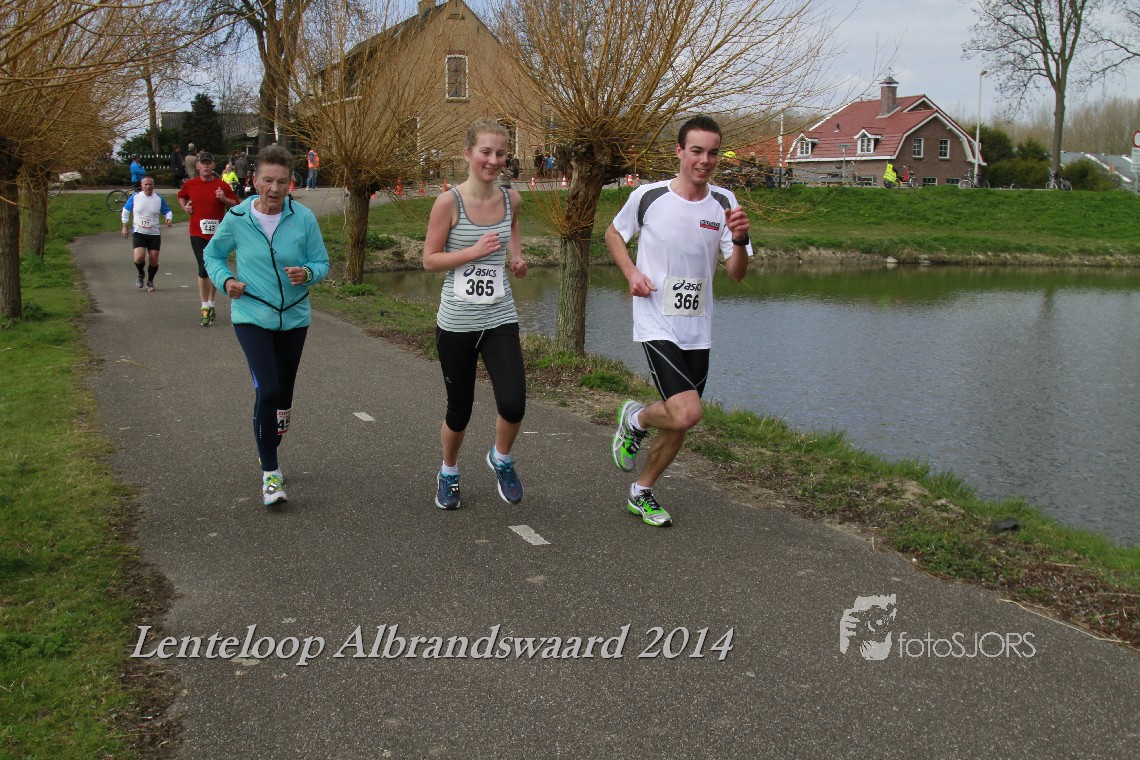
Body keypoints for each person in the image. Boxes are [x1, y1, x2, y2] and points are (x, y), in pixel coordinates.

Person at [605, 115, 752, 527]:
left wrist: (740, 240)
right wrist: (631, 273)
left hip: (698, 326)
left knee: (680, 421)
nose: (705, 160)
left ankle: (642, 490)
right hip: (656, 318)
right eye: (697, 151)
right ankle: (635, 419)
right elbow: (613, 235)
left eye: (713, 153)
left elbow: (737, 273)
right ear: (680, 152)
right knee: (687, 411)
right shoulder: (649, 196)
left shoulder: (725, 202)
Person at [203, 145, 330, 506]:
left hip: (294, 316)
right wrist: (226, 281)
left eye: (282, 182)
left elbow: (322, 263)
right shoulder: (238, 218)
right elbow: (212, 254)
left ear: (291, 183)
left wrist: (307, 273)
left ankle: (271, 439)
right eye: (268, 181)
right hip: (252, 315)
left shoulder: (303, 218)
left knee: (283, 395)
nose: (275, 189)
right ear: (255, 180)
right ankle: (270, 475)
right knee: (268, 389)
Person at [422, 120, 528, 510]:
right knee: (459, 409)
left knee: (514, 404)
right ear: (468, 154)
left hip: (500, 316)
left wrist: (516, 256)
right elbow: (429, 260)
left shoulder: (511, 198)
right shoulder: (448, 203)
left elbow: (512, 226)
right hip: (457, 322)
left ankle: (501, 458)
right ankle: (448, 471)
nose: (493, 160)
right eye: (485, 152)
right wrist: (473, 252)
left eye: (500, 153)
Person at [177, 150, 239, 326]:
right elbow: (181, 196)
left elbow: (236, 204)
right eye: (202, 163)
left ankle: (211, 303)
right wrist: (185, 207)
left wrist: (224, 198)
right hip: (197, 232)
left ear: (213, 165)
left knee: (214, 268)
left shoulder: (222, 185)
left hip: (217, 235)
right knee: (203, 267)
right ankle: (204, 306)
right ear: (197, 166)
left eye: (208, 163)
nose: (205, 166)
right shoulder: (191, 184)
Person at [120, 175, 173, 291]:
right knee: (139, 257)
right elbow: (125, 211)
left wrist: (169, 219)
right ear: (141, 186)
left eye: (150, 184)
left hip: (154, 233)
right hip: (139, 232)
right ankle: (141, 274)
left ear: (153, 186)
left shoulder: (158, 198)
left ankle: (150, 281)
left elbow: (167, 211)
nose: (148, 187)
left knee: (154, 257)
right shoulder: (135, 197)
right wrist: (124, 227)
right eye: (146, 184)